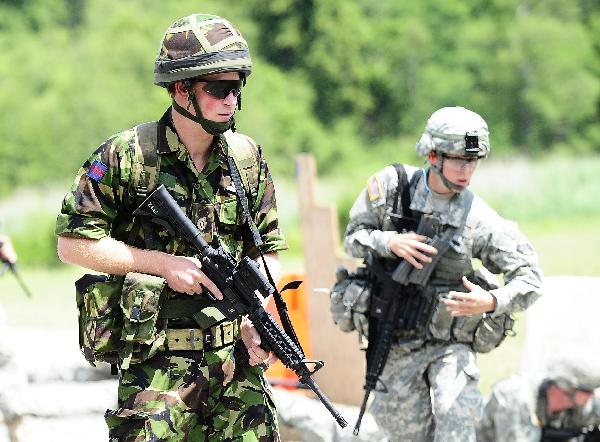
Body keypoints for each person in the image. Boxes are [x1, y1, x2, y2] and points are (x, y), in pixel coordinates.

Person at [55, 13, 286, 441]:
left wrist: (260, 315)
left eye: (237, 87)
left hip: (233, 361)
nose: (231, 99)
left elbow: (266, 250)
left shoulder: (247, 159)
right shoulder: (129, 155)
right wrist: (162, 264)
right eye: (218, 88)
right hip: (157, 367)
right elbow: (72, 244)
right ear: (181, 88)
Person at [343, 106, 543, 441]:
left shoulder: (477, 218)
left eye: (473, 161)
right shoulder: (392, 188)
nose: (467, 170)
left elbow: (531, 278)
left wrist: (492, 300)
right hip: (396, 343)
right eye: (458, 160)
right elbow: (353, 239)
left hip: (450, 343)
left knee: (456, 424)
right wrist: (389, 242)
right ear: (433, 155)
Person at [477, 354, 600, 442]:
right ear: (566, 386)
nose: (592, 396)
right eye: (587, 391)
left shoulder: (584, 402)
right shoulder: (514, 397)